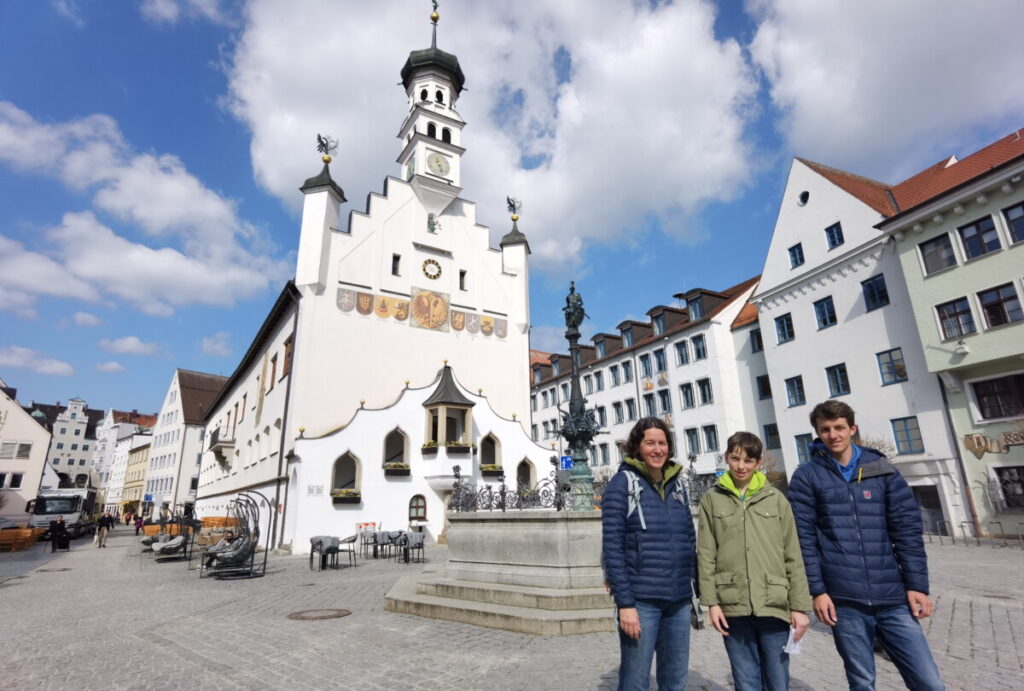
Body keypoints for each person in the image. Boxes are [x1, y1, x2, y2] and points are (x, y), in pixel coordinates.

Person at [788, 400, 944, 690]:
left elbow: (907, 530)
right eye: (825, 429)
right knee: (862, 682)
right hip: (845, 600)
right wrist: (818, 591)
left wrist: (917, 585)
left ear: (852, 429)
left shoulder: (880, 469)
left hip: (892, 597)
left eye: (839, 428)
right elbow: (803, 539)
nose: (833, 435)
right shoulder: (807, 476)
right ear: (818, 433)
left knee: (929, 682)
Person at [697, 431, 811, 691]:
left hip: (774, 601)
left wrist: (799, 607)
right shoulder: (712, 500)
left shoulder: (776, 499)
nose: (741, 466)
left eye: (748, 461)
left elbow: (793, 554)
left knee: (777, 678)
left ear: (759, 463)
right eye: (735, 458)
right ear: (726, 457)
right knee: (745, 679)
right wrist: (711, 603)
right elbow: (705, 553)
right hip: (732, 603)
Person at [602, 417, 697, 691]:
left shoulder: (677, 485)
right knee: (635, 679)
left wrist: (692, 587)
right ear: (637, 447)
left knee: (675, 679)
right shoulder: (623, 483)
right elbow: (613, 547)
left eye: (663, 443)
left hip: (678, 600)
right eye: (650, 443)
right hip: (642, 601)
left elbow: (689, 539)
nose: (658, 450)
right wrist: (626, 605)